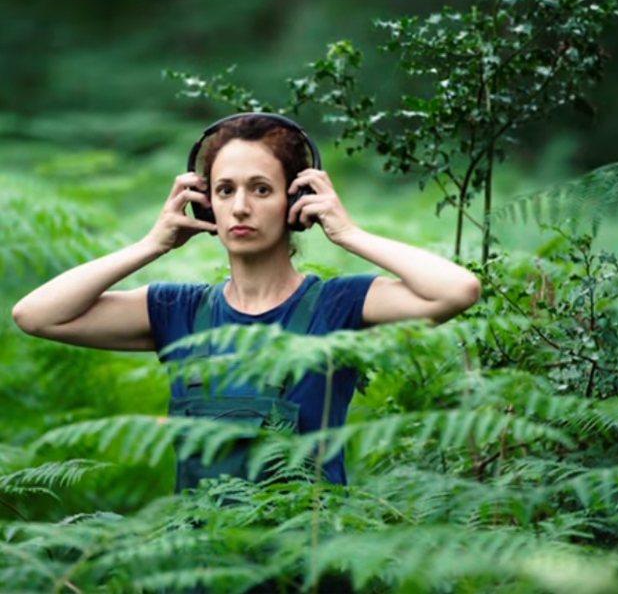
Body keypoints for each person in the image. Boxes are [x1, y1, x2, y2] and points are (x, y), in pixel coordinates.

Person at [11, 113, 481, 490]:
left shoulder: (338, 305)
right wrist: (151, 244)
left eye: (261, 189)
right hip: (199, 572)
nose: (239, 207)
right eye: (224, 190)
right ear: (203, 204)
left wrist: (348, 233)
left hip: (307, 571)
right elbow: (35, 315)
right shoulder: (177, 312)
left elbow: (457, 290)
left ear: (295, 200)